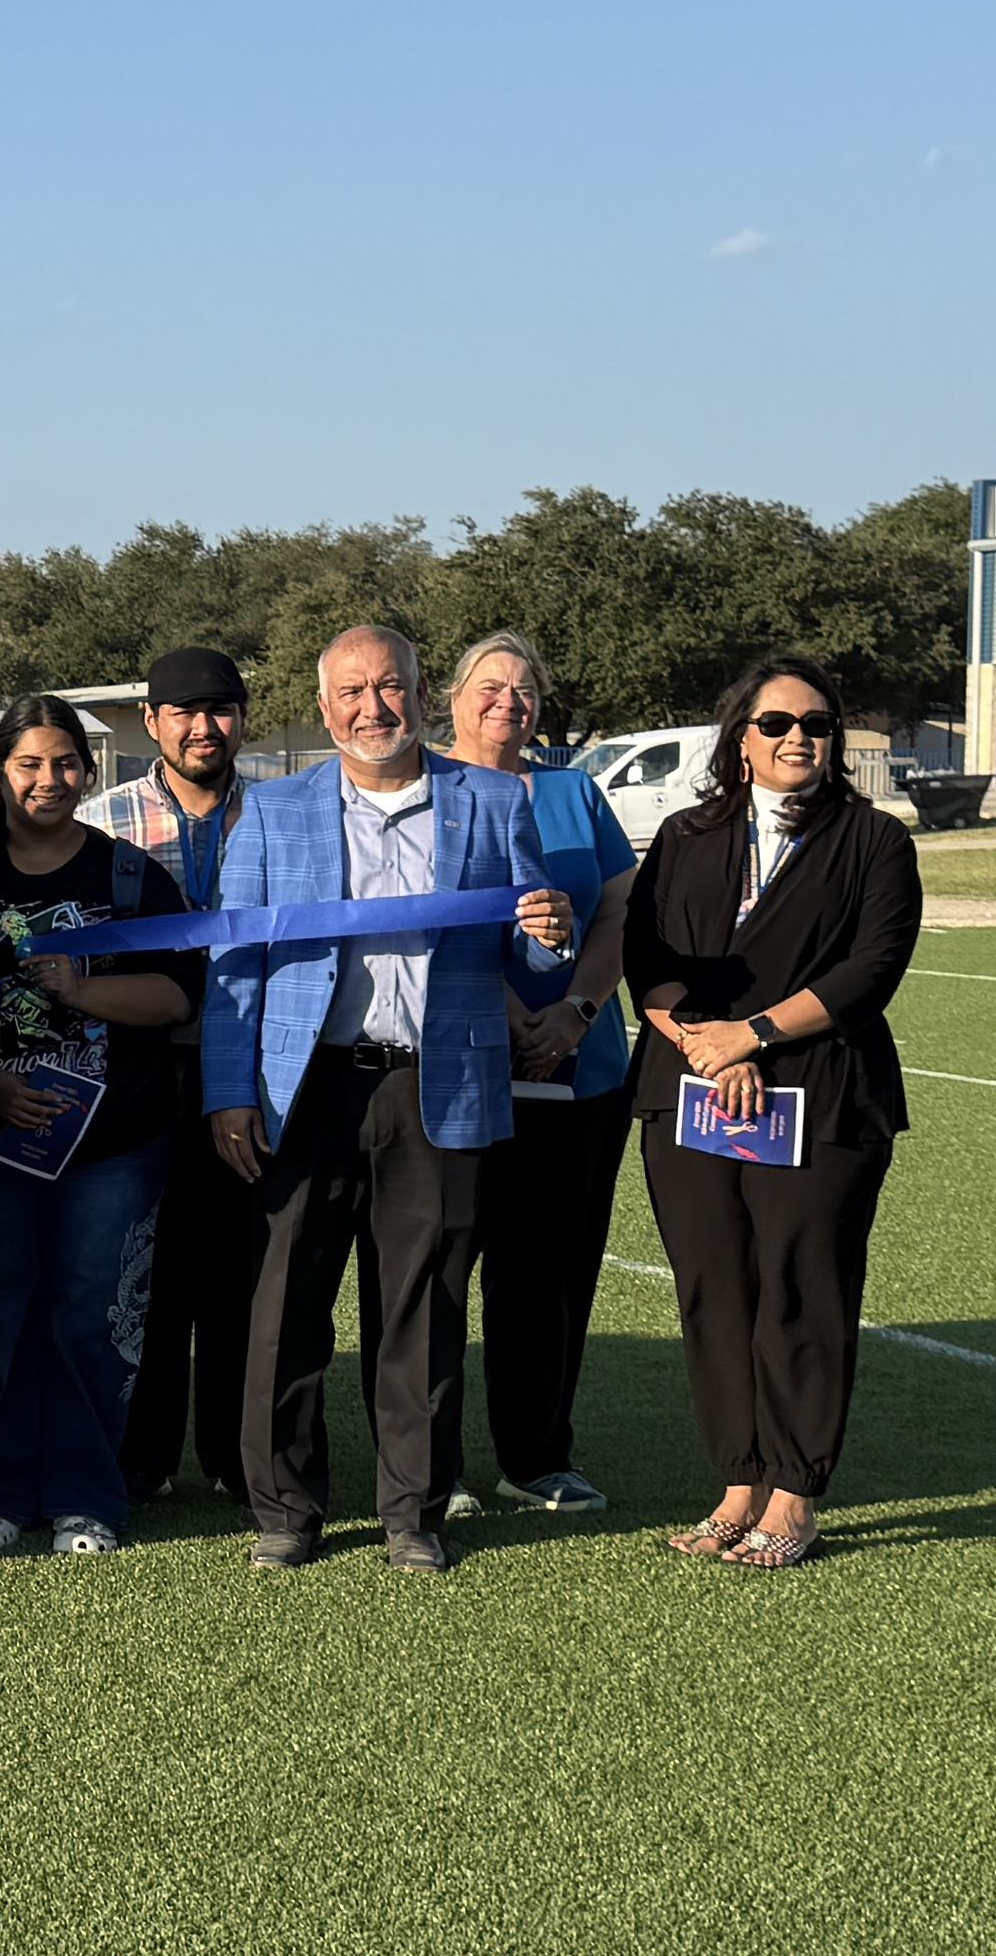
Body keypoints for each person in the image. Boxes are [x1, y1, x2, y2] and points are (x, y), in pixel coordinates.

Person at [203, 626, 573, 1575]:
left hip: (435, 1087)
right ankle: (283, 1510)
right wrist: (227, 1093)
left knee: (424, 1307)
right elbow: (233, 969)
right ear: (323, 708)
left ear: (421, 693)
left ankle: (412, 1510)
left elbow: (531, 969)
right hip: (303, 1090)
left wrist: (551, 934)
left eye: (392, 686)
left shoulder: (490, 802)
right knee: (282, 1306)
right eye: (352, 692)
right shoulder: (273, 813)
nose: (374, 707)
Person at [626, 657, 919, 1570]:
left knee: (800, 1289)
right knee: (714, 1289)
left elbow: (869, 969)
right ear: (739, 739)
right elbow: (646, 955)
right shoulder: (684, 834)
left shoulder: (872, 841)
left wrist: (750, 1036)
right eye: (777, 723)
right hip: (689, 1091)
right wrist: (705, 1046)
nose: (798, 737)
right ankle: (737, 1481)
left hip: (822, 1092)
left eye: (817, 725)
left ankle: (793, 1493)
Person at [0, 695, 198, 1557]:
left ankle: (87, 1494)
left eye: (65, 763)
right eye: (29, 764)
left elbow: (175, 995)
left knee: (89, 1316)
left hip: (111, 1146)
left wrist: (79, 992)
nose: (48, 780)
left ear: (86, 770)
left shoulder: (130, 875)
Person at [443, 631, 638, 1516]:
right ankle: (429, 1470)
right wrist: (504, 1009)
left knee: (549, 1274)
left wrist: (575, 1013)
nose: (506, 704)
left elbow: (620, 911)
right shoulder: (423, 788)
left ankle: (534, 1457)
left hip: (578, 1072)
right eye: (489, 687)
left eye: (522, 691)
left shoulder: (573, 793)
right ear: (451, 697)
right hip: (453, 1066)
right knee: (438, 1271)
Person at [88, 647, 257, 1502]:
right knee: (142, 1272)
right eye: (182, 712)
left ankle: (236, 1457)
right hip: (141, 1076)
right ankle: (141, 1456)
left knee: (241, 1273)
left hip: (253, 1076)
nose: (202, 727)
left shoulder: (280, 815)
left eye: (219, 709)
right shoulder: (103, 821)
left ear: (242, 717)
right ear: (150, 722)